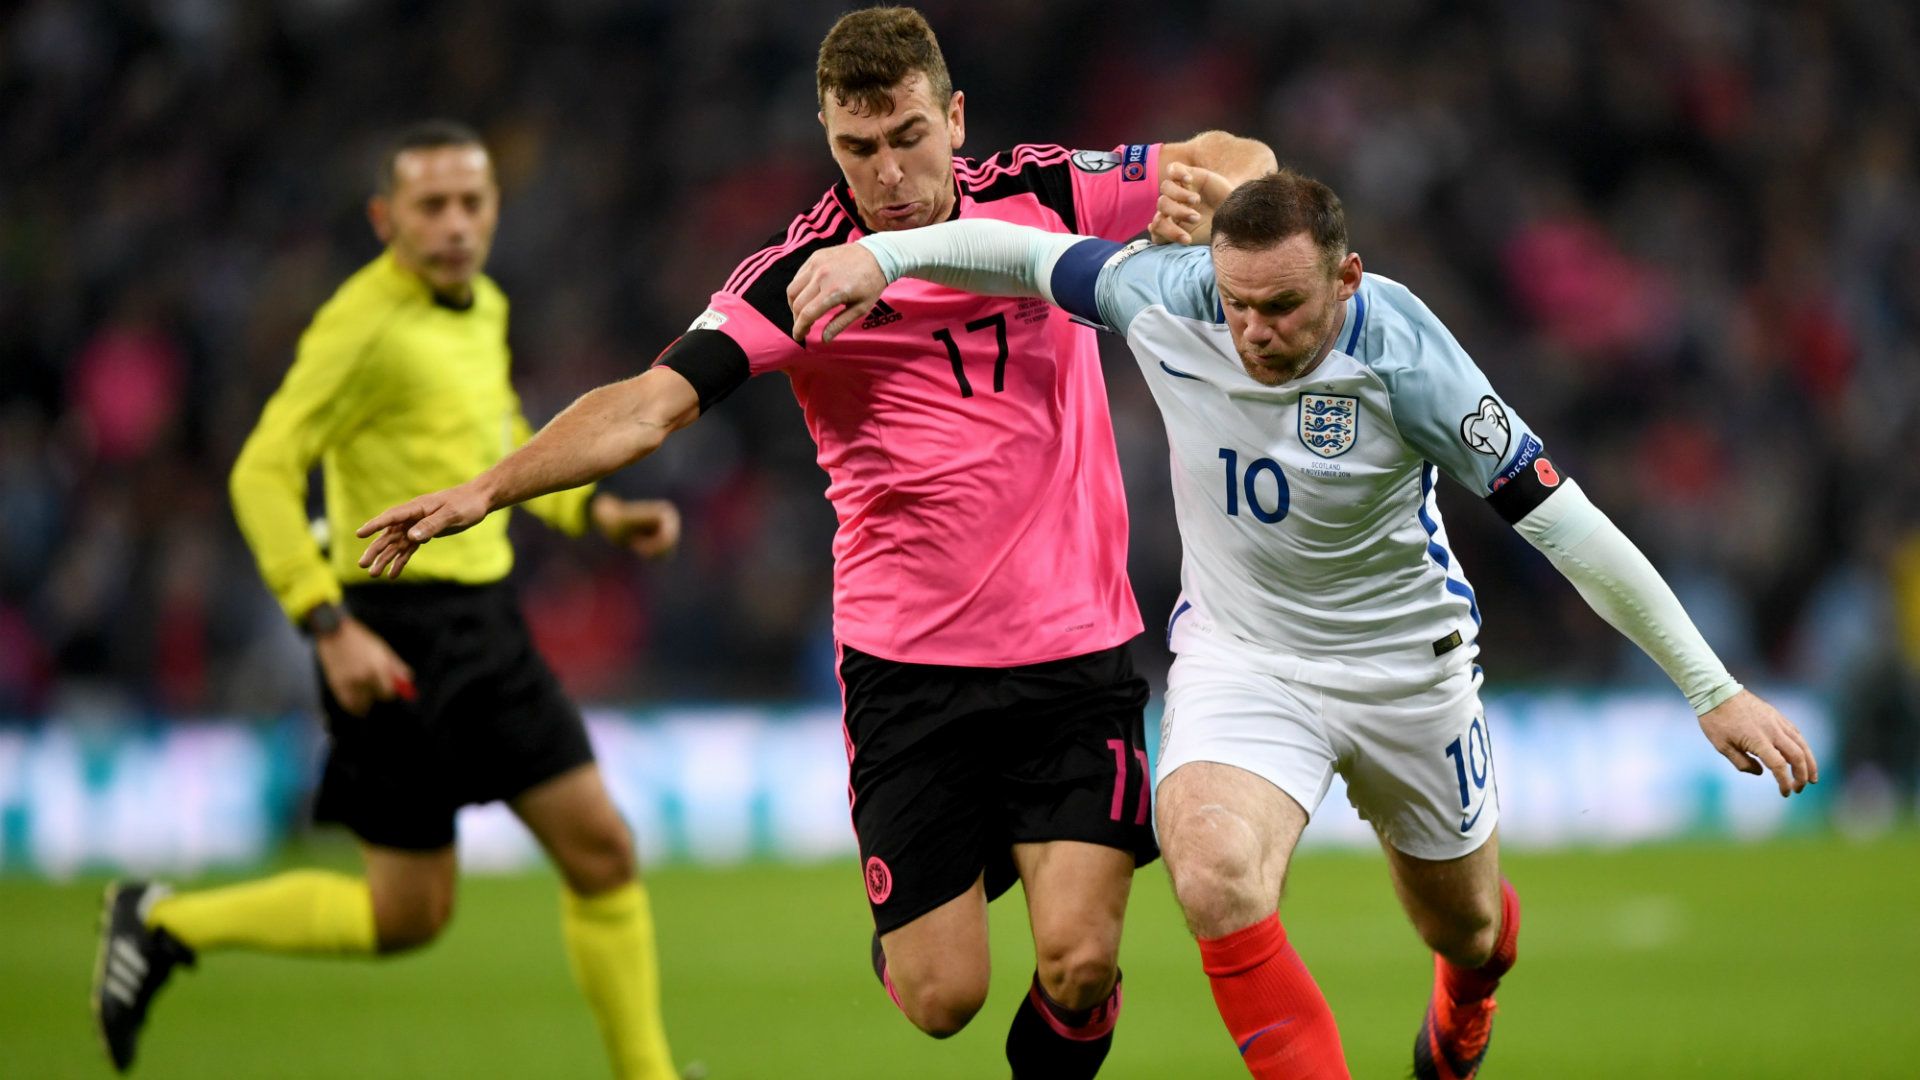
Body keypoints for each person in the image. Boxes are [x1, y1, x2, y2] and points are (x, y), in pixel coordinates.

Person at [355, 9, 1275, 1076]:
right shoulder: (800, 277)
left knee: (1076, 961)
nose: (888, 172)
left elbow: (1241, 155)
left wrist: (1219, 199)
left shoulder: (1046, 192)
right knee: (943, 999)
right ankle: (924, 915)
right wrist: (489, 488)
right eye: (858, 147)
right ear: (829, 141)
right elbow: (648, 406)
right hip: (909, 674)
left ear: (955, 119)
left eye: (909, 137)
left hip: (1074, 653)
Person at [784, 167, 1820, 1080]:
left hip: (1404, 668)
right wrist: (885, 256)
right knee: (1210, 869)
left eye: (1282, 306)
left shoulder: (1409, 357)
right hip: (1244, 661)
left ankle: (1468, 997)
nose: (1255, 333)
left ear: (1346, 278)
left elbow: (1568, 526)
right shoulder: (1163, 292)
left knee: (1464, 927)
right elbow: (1017, 253)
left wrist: (1712, 688)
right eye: (1238, 305)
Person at [90, 121, 685, 1079]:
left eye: (471, 203)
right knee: (409, 914)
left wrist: (596, 511)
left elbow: (494, 439)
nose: (455, 224)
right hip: (395, 633)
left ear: (494, 210)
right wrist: (326, 626)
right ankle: (164, 922)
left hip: (488, 623)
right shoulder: (359, 325)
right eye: (431, 206)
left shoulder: (485, 305)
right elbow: (261, 471)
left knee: (603, 851)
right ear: (385, 219)